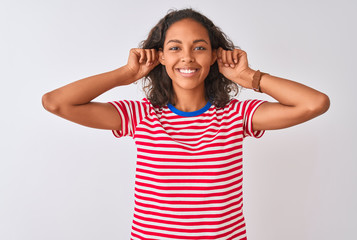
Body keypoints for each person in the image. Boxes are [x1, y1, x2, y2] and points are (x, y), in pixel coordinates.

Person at [42, 8, 330, 240]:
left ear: (215, 55)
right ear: (161, 56)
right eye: (175, 47)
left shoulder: (236, 114)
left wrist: (250, 76)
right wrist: (126, 73)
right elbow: (56, 102)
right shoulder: (140, 115)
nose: (187, 57)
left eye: (200, 47)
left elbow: (314, 103)